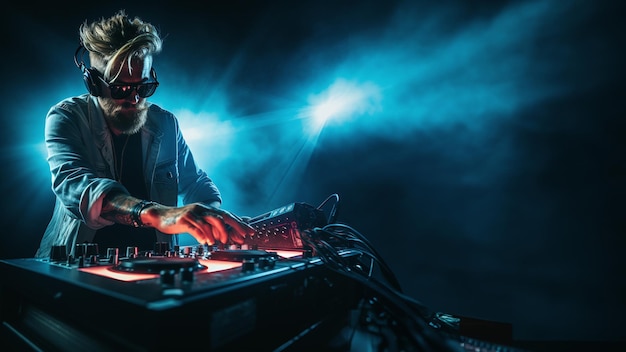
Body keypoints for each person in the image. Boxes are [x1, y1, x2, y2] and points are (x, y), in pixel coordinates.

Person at [35, 10, 254, 259]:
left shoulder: (166, 123)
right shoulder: (65, 117)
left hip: (157, 266)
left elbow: (196, 184)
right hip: (79, 265)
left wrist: (213, 217)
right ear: (93, 83)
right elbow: (76, 187)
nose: (135, 98)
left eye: (144, 87)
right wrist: (159, 214)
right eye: (120, 89)